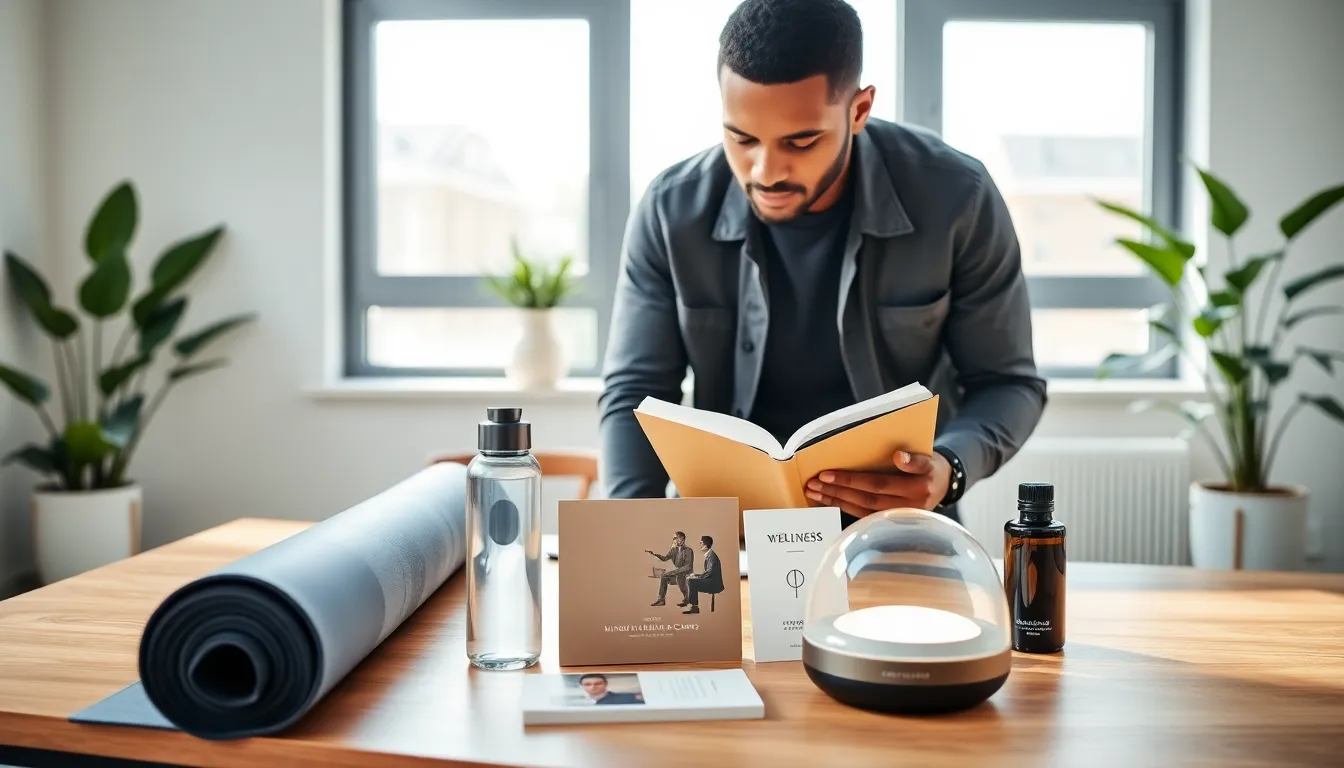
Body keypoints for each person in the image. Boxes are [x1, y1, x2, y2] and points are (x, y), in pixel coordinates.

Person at [598, 0, 1045, 523]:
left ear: (859, 110)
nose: (765, 172)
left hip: (894, 530)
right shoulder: (671, 210)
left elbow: (1008, 383)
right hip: (724, 539)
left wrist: (948, 469)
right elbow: (635, 393)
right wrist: (630, 541)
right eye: (741, 138)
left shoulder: (956, 198)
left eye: (801, 141)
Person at [645, 531, 694, 606]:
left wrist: (673, 572)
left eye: (675, 538)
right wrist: (655, 555)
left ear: (682, 539)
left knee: (679, 578)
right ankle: (661, 600)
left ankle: (687, 599)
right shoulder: (674, 550)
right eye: (674, 538)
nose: (674, 540)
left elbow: (688, 567)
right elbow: (665, 558)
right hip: (678, 575)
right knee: (664, 577)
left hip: (686, 576)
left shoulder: (688, 550)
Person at [683, 536, 723, 615]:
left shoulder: (712, 556)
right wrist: (695, 575)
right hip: (711, 580)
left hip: (714, 584)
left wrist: (696, 577)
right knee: (690, 579)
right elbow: (708, 572)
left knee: (691, 581)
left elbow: (709, 573)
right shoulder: (710, 555)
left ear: (705, 545)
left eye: (701, 543)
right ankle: (692, 604)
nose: (700, 545)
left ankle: (694, 607)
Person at [577, 674, 643, 706]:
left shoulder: (628, 698)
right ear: (581, 686)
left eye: (598, 684)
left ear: (605, 684)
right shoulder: (577, 704)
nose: (593, 687)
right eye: (588, 684)